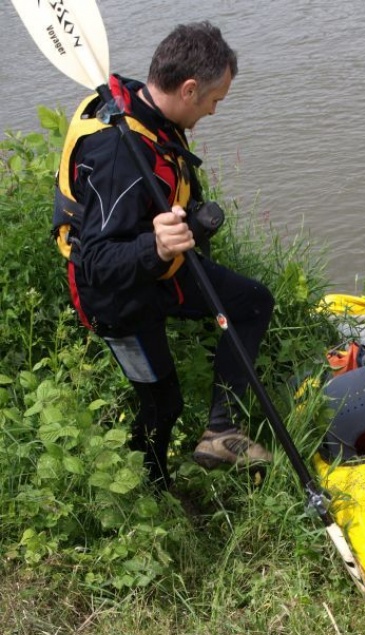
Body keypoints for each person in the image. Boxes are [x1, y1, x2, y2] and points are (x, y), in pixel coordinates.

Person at [54, 21, 274, 490]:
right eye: (215, 100)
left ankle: (221, 430)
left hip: (161, 267)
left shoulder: (143, 108)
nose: (215, 111)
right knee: (162, 404)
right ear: (189, 88)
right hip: (116, 299)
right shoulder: (116, 154)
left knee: (253, 302)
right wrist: (152, 245)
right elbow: (93, 262)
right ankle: (152, 489)